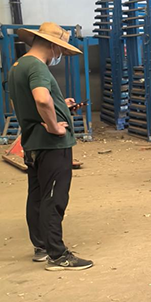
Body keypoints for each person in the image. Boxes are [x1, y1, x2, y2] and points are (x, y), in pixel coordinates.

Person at [8, 22, 93, 271]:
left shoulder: (19, 66)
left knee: (37, 195)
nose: (60, 55)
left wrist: (61, 105)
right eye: (61, 50)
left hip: (33, 142)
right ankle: (58, 254)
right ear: (52, 46)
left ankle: (42, 247)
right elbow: (42, 99)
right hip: (51, 144)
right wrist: (55, 126)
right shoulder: (37, 66)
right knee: (55, 197)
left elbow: (21, 103)